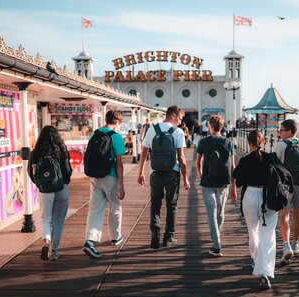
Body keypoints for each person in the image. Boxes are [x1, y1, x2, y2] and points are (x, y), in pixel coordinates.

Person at [137, 105, 190, 249]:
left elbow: (144, 153)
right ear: (173, 116)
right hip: (172, 172)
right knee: (171, 205)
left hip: (155, 172)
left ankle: (155, 233)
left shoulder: (152, 129)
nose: (180, 122)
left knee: (155, 203)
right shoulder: (177, 132)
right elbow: (182, 157)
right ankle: (169, 236)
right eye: (179, 119)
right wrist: (185, 177)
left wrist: (140, 172)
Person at [233, 130, 278, 290]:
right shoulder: (271, 158)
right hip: (269, 198)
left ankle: (255, 260)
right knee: (268, 235)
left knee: (253, 232)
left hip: (250, 196)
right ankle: (264, 272)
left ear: (250, 143)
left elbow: (238, 181)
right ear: (263, 142)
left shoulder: (244, 161)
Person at [83, 110, 126, 259]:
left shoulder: (94, 134)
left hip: (94, 177)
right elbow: (119, 163)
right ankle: (116, 237)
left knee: (95, 209)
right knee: (115, 207)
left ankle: (90, 241)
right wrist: (121, 184)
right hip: (110, 177)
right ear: (117, 122)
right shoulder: (116, 137)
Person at [28, 125, 72, 261]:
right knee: (58, 221)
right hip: (61, 188)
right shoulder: (62, 150)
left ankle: (46, 241)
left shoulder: (35, 152)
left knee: (46, 218)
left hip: (45, 190)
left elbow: (31, 172)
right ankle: (54, 251)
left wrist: (40, 184)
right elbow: (67, 170)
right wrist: (64, 182)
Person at [196, 115, 237, 257]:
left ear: (211, 127)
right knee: (220, 212)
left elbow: (197, 162)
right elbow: (233, 166)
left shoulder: (204, 142)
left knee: (211, 213)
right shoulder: (228, 142)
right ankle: (216, 235)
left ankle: (216, 245)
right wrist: (234, 186)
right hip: (224, 181)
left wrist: (201, 175)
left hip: (208, 181)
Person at [274, 119, 299, 264]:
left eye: (281, 130)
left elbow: (275, 165)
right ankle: (296, 244)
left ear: (289, 131)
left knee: (284, 214)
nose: (279, 133)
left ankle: (286, 245)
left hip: (285, 184)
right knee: (298, 213)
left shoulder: (281, 145)